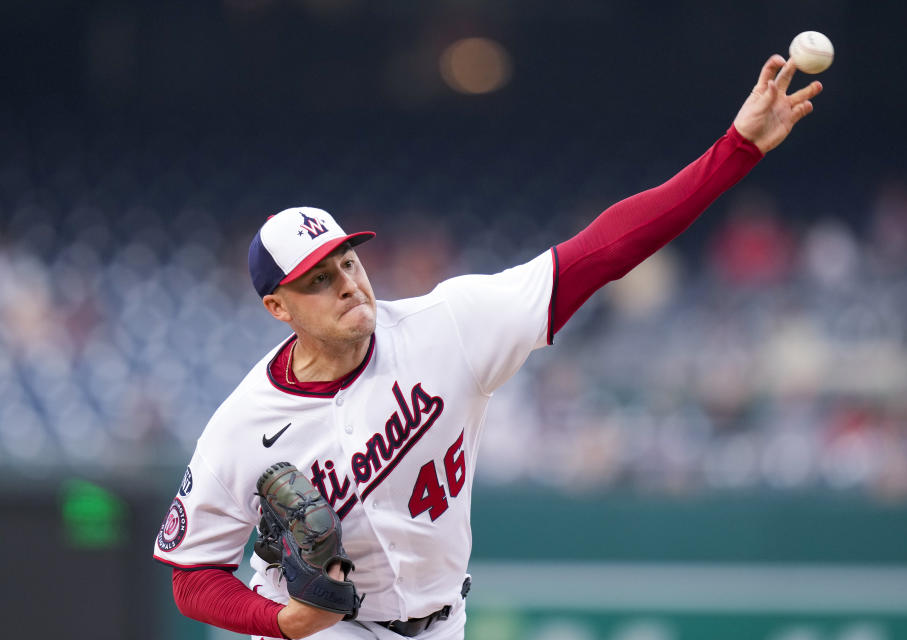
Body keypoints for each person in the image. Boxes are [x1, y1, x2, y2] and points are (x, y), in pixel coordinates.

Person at [153, 55, 822, 639]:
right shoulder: (243, 428)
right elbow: (191, 576)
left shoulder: (450, 326)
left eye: (348, 263)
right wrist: (281, 622)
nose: (348, 284)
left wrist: (736, 149)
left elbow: (602, 251)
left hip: (443, 623)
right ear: (277, 307)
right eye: (318, 280)